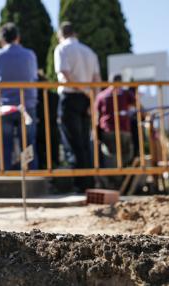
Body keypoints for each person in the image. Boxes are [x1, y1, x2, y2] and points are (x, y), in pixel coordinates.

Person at [54, 21, 101, 191]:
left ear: (60, 35)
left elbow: (65, 76)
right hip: (86, 100)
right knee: (83, 141)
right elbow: (97, 80)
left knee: (72, 142)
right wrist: (92, 99)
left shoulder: (62, 49)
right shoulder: (90, 52)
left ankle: (81, 184)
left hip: (70, 97)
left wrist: (84, 92)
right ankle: (88, 181)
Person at [0, 22, 38, 170]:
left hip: (3, 106)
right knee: (28, 143)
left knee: (4, 144)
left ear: (1, 39)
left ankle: (5, 176)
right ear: (18, 37)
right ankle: (31, 175)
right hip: (26, 104)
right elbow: (33, 77)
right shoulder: (29, 55)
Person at [95, 75, 136, 182]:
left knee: (111, 157)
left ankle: (114, 182)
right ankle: (122, 180)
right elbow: (136, 104)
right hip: (123, 129)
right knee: (125, 155)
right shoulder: (125, 93)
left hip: (108, 129)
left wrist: (96, 130)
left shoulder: (102, 95)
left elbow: (96, 114)